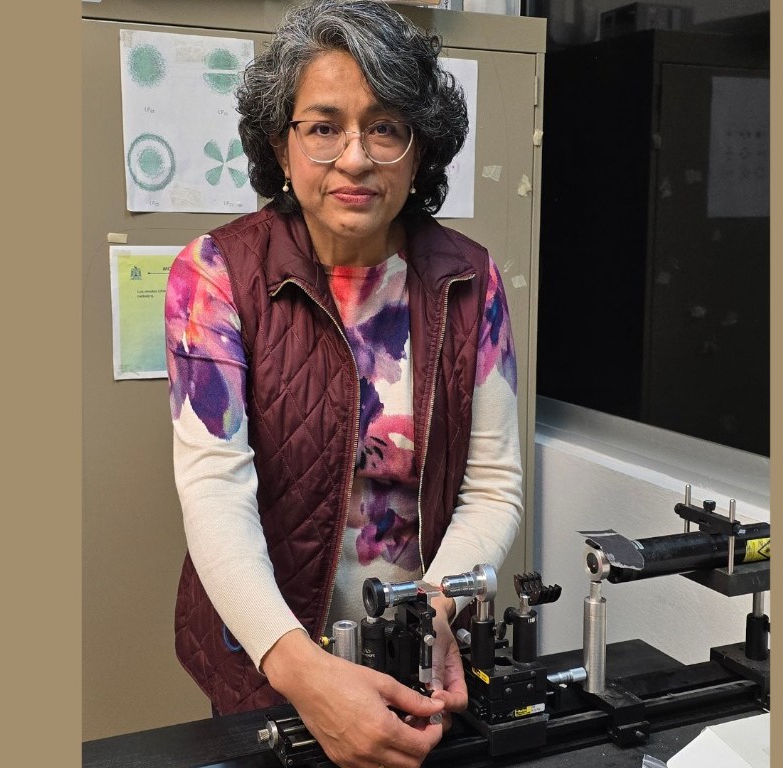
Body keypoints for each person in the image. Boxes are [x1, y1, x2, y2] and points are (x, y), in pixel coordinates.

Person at [164, 1, 522, 766]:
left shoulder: (471, 280)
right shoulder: (215, 274)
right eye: (323, 127)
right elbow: (215, 490)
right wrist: (300, 668)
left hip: (415, 653)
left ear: (419, 149)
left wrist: (432, 618)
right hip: (267, 657)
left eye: (385, 127)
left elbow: (493, 486)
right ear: (280, 144)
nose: (355, 158)